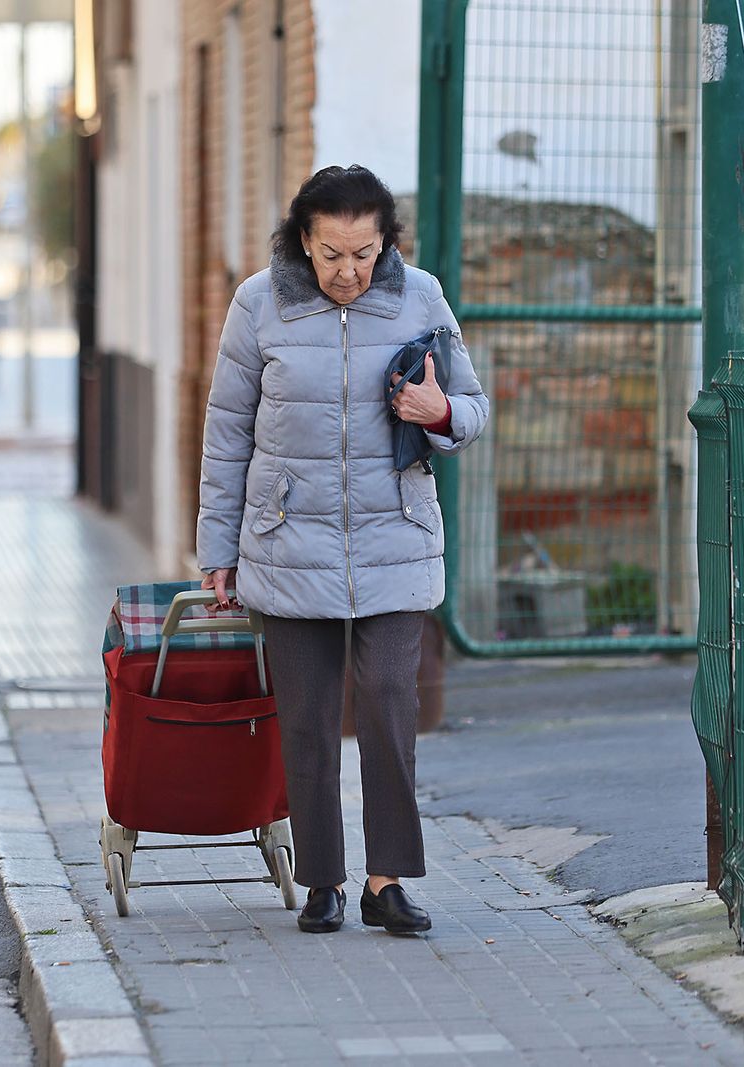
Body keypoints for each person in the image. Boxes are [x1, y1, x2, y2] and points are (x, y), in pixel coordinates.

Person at [196, 165, 488, 935]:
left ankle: (385, 880)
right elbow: (226, 434)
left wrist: (441, 409)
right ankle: (323, 879)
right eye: (331, 254)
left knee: (393, 704)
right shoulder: (259, 304)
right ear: (303, 241)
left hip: (395, 539)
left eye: (363, 252)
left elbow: (473, 409)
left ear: (385, 242)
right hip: (289, 541)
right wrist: (217, 548)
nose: (348, 271)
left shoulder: (420, 296)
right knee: (308, 718)